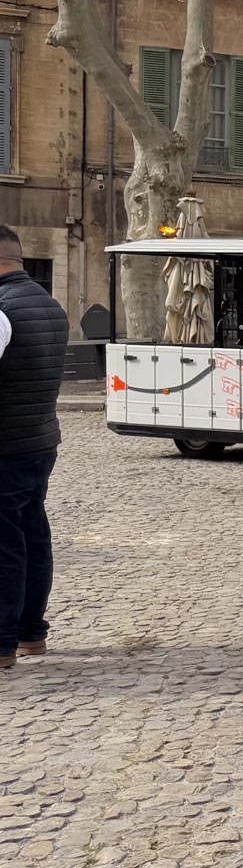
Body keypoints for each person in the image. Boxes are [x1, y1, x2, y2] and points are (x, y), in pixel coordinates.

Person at [0, 224, 67, 672]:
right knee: (32, 536)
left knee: (6, 546)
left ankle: (3, 642)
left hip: (6, 446)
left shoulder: (2, 310)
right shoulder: (51, 304)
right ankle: (30, 635)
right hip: (39, 439)